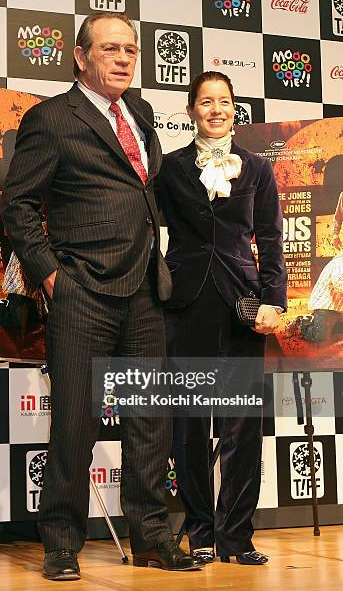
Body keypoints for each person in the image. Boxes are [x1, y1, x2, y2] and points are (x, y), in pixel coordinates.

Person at [1, 13, 198, 581]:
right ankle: (61, 544)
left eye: (131, 51)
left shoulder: (138, 112)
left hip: (144, 290)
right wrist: (50, 276)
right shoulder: (51, 118)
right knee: (74, 424)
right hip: (81, 290)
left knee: (149, 422)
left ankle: (153, 537)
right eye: (110, 49)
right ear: (79, 56)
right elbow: (18, 205)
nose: (123, 59)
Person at [157, 71, 287, 566]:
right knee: (189, 425)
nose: (216, 110)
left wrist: (274, 300)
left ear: (235, 109)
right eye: (206, 102)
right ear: (191, 110)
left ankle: (238, 537)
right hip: (185, 304)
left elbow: (271, 240)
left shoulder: (257, 168)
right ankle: (200, 532)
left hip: (243, 308)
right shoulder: (167, 168)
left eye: (224, 102)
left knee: (241, 427)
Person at [288, 255, 343, 342]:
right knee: (320, 336)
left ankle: (321, 322)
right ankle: (301, 322)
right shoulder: (339, 263)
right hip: (325, 306)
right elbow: (339, 285)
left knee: (337, 333)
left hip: (339, 309)